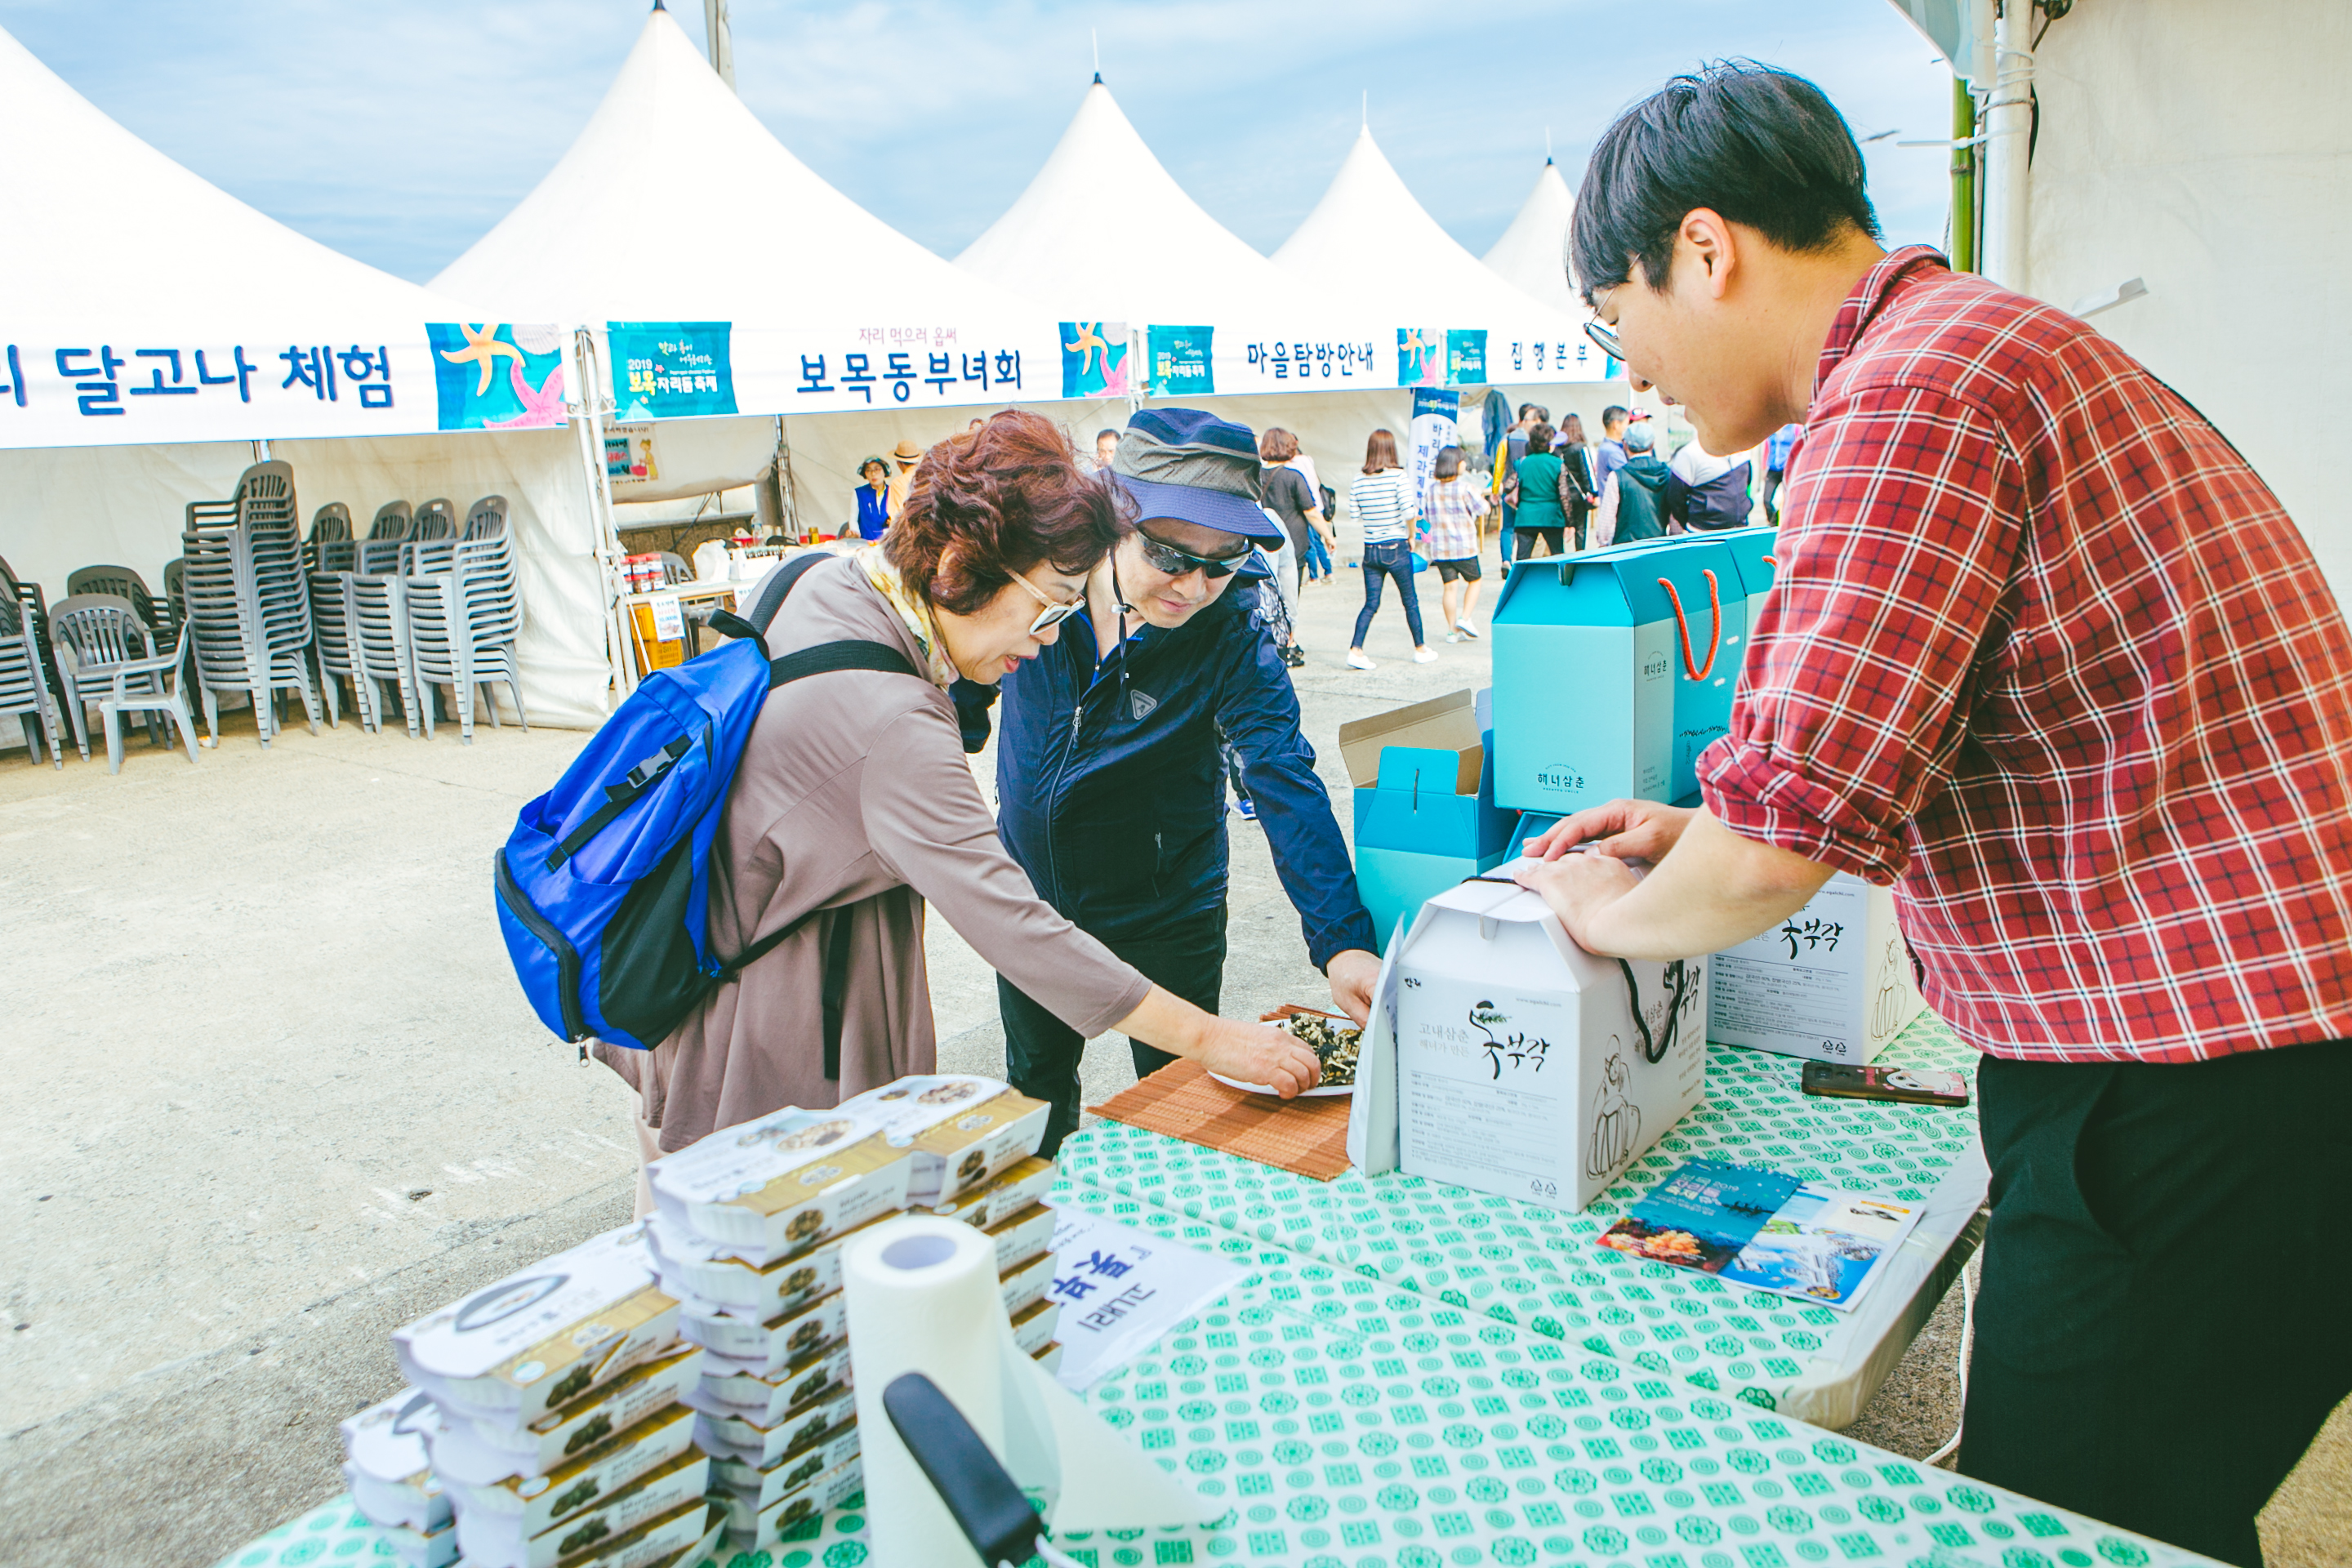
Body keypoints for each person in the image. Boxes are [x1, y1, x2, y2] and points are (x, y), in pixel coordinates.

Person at [1521, 61, 2352, 1568]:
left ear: (1703, 252)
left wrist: (1604, 917)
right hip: (2260, 1055)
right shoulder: (1984, 342)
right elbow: (1884, 740)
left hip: (2187, 1081)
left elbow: (1782, 841)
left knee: (2069, 1523)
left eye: (1614, 318)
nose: (1629, 373)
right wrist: (1682, 832)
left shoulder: (1908, 387)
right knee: (2168, 1499)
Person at [595, 412, 1320, 1189]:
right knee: (761, 1279)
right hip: (772, 1046)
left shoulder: (821, 577)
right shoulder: (896, 726)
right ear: (958, 564)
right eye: (1049, 607)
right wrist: (1212, 1040)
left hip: (692, 986)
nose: (1051, 638)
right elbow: (1014, 925)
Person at [964, 408, 1384, 1153]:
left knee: (1177, 1111)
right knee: (1037, 1093)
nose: (1194, 586)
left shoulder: (1234, 629)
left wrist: (1342, 939)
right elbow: (960, 678)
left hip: (1168, 910)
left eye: (1221, 562)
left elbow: (1282, 773)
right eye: (1170, 555)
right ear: (1114, 521)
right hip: (1034, 904)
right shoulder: (1041, 584)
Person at [1345, 429, 1436, 669]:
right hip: (1396, 548)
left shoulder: (1358, 479)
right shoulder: (1398, 477)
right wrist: (1410, 535)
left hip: (1370, 549)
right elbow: (1409, 512)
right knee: (1410, 601)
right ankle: (1420, 649)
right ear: (1391, 449)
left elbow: (1355, 514)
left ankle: (1356, 650)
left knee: (1371, 603)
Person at [1258, 428, 1327, 667]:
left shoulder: (1254, 474)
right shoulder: (1294, 475)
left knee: (1264, 596)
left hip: (1261, 546)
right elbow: (1311, 512)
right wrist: (1328, 535)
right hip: (1292, 547)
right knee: (1289, 596)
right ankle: (1286, 644)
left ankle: (1271, 643)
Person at [1420, 444, 1489, 641]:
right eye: (1462, 461)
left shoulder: (1430, 490)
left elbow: (1423, 518)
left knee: (1450, 587)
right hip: (1464, 547)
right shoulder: (1465, 488)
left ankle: (1452, 631)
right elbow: (1484, 508)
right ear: (1456, 465)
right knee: (1475, 581)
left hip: (1440, 550)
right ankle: (1465, 618)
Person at [1592, 422, 1670, 546]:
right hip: (1659, 547)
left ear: (1625, 445)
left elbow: (1606, 524)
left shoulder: (1617, 476)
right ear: (1652, 444)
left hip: (1625, 550)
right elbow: (1675, 519)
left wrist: (1604, 543)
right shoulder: (1666, 474)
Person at [1664, 438, 1753, 531]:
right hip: (1704, 532)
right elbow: (1675, 497)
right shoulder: (1689, 453)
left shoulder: (1743, 448)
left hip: (1740, 529)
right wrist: (1687, 522)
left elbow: (1747, 480)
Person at [1510, 422, 1568, 559]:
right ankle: (1559, 581)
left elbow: (1509, 485)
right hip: (1551, 515)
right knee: (1558, 556)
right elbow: (1564, 494)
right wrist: (1569, 522)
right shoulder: (1557, 463)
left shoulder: (1522, 462)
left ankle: (1521, 581)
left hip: (1526, 516)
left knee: (1522, 559)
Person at [1555, 412, 1599, 550]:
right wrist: (1594, 492)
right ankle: (1579, 558)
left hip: (1561, 495)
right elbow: (1588, 473)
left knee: (1560, 529)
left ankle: (1560, 559)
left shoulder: (1556, 450)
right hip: (1578, 496)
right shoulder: (1581, 448)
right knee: (1580, 530)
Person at [1762, 421, 1802, 523]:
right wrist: (1764, 467)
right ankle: (1773, 522)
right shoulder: (1771, 427)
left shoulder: (1794, 428)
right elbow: (1767, 448)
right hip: (1773, 468)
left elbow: (1800, 447)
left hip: (1788, 469)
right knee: (1767, 499)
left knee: (1787, 500)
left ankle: (1783, 524)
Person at [850, 457, 891, 541]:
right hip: (865, 543)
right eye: (868, 470)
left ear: (885, 472)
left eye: (877, 469)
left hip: (889, 544)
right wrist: (855, 533)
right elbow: (853, 518)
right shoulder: (859, 493)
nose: (873, 474)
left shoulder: (893, 492)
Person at [1592, 404, 1631, 492]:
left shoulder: (1606, 447)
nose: (1628, 428)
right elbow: (1628, 478)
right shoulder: (1612, 452)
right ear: (1616, 424)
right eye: (1627, 424)